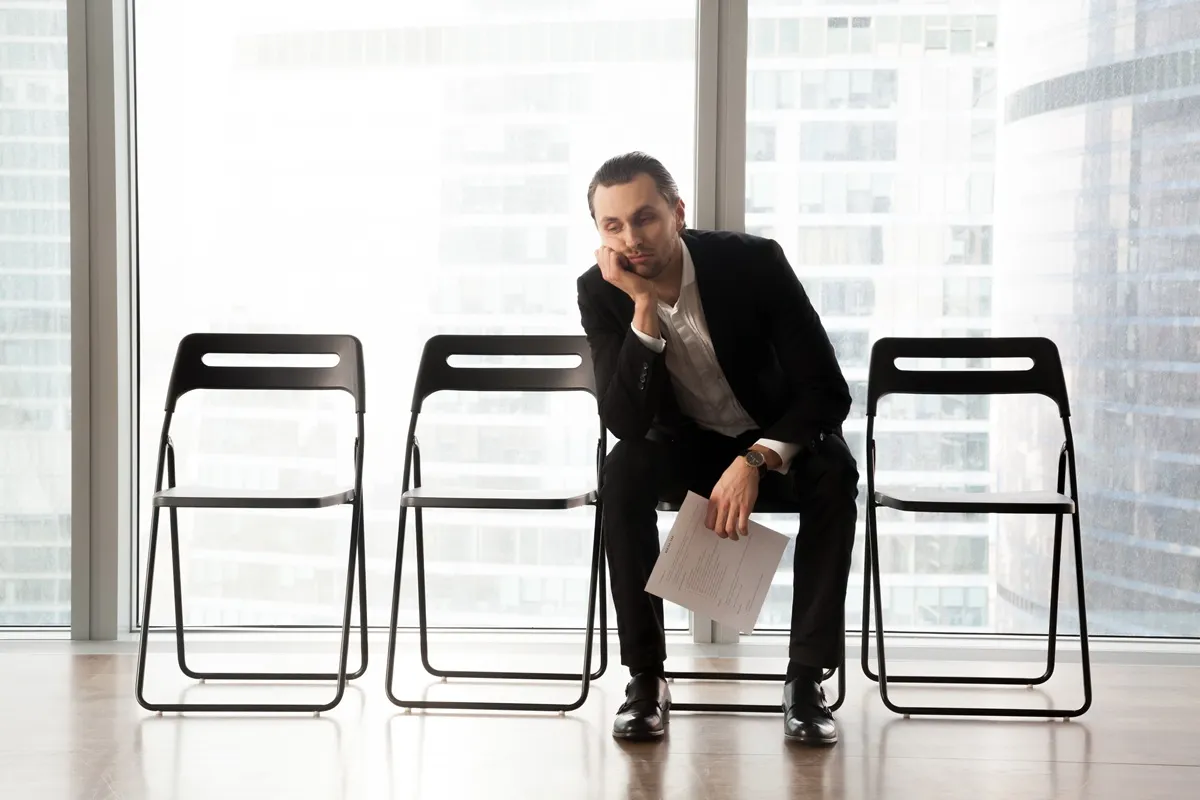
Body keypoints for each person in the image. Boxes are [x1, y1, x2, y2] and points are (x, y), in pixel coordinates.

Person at [576, 152, 859, 746]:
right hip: (683, 450)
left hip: (771, 446)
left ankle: (806, 683)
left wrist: (756, 458)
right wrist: (643, 309)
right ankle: (646, 681)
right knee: (622, 470)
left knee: (834, 470)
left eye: (645, 218)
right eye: (613, 226)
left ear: (678, 213)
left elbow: (826, 392)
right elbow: (626, 420)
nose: (631, 239)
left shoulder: (752, 263)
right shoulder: (601, 291)